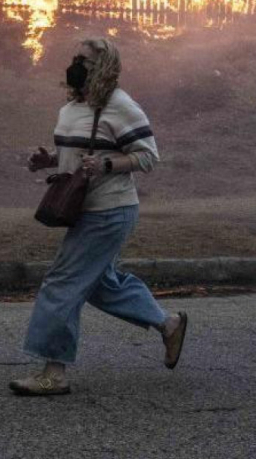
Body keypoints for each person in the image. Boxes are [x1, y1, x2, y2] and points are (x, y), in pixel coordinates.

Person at [10, 38, 187, 396]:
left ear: (103, 67)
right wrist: (48, 161)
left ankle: (53, 372)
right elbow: (75, 156)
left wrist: (108, 164)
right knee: (100, 284)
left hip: (110, 211)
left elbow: (148, 157)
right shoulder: (74, 106)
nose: (75, 65)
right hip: (85, 209)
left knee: (62, 282)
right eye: (75, 58)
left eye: (85, 61)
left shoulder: (121, 106)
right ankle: (167, 324)